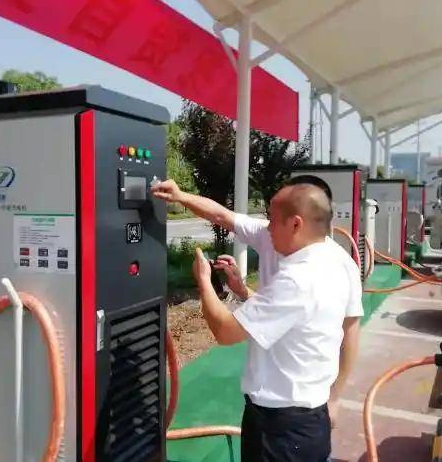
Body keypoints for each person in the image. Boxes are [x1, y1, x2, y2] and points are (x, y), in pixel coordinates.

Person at [153, 179, 362, 461]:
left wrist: (203, 281)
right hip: (307, 417)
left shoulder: (298, 278)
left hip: (282, 426)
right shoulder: (328, 261)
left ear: (296, 224)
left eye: (272, 220)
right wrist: (180, 196)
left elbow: (225, 332)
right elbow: (288, 318)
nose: (267, 227)